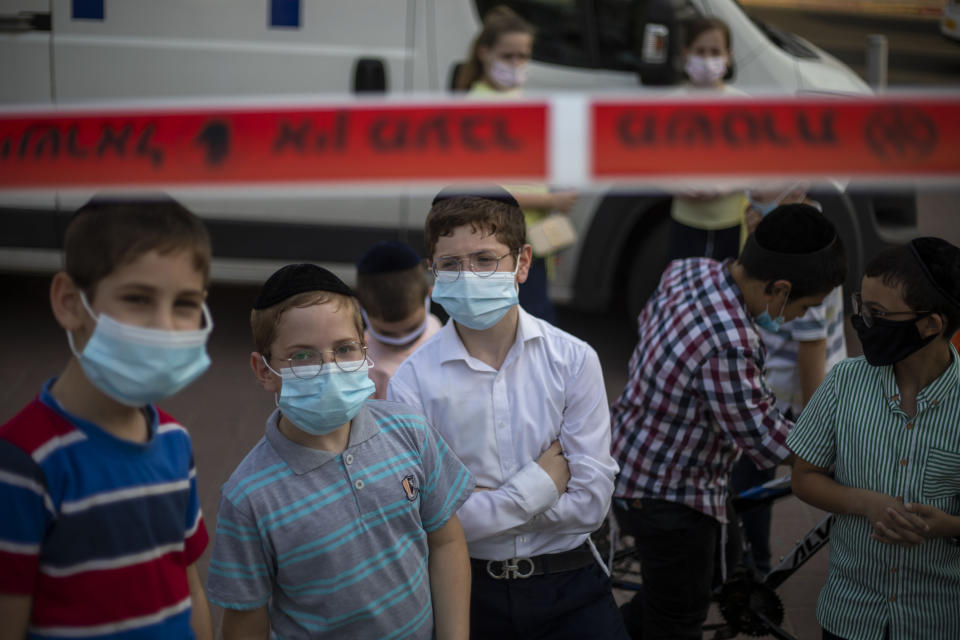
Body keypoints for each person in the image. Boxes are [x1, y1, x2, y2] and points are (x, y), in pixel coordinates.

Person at [387, 186, 627, 640]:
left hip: (570, 582)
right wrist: (539, 486)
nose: (469, 275)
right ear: (431, 274)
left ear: (522, 263)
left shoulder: (574, 360)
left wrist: (475, 506)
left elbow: (592, 504)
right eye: (452, 264)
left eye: (484, 259)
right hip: (468, 589)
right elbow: (421, 518)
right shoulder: (412, 382)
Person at [610, 204, 847, 639]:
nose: (796, 319)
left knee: (686, 585)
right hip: (668, 494)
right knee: (677, 616)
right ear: (779, 288)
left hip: (631, 448)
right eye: (805, 307)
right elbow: (767, 440)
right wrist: (841, 452)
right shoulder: (732, 343)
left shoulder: (688, 269)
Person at [206, 263, 473, 640]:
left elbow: (445, 541)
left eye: (345, 349)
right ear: (264, 370)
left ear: (366, 351)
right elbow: (246, 619)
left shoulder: (410, 430)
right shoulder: (249, 497)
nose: (329, 368)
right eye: (302, 356)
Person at [0, 197, 214, 639]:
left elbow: (188, 585)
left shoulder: (175, 440)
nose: (166, 327)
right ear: (69, 302)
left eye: (185, 303)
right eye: (138, 298)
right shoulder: (22, 463)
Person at [788, 237, 960, 640]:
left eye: (877, 313)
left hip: (937, 619)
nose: (862, 320)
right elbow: (803, 475)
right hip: (850, 613)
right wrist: (862, 502)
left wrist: (949, 526)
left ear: (930, 325)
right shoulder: (844, 382)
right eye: (861, 307)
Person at [732, 187, 849, 574]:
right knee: (750, 488)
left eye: (764, 185)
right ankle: (753, 564)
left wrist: (817, 430)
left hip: (795, 399)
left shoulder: (807, 255)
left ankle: (755, 563)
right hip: (772, 395)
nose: (752, 194)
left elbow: (811, 351)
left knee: (768, 478)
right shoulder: (771, 229)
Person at [456, 4, 577, 323]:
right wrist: (552, 199)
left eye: (523, 56)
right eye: (509, 56)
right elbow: (486, 190)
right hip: (500, 242)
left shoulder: (517, 98)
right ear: (485, 53)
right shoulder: (478, 107)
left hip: (530, 235)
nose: (517, 64)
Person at [668, 17, 747, 263]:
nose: (707, 59)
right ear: (685, 54)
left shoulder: (743, 106)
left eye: (715, 52)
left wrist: (725, 186)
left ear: (728, 56)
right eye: (700, 51)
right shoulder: (671, 104)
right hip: (685, 221)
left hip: (731, 222)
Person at [355, 241, 443, 400]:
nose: (401, 339)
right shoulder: (361, 361)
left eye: (412, 329)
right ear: (360, 308)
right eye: (386, 333)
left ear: (429, 294)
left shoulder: (444, 336)